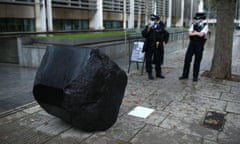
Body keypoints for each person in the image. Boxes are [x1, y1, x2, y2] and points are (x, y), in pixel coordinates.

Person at [179, 12, 208, 82]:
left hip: (200, 45)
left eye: (197, 18)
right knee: (187, 59)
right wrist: (197, 33)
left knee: (197, 61)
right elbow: (189, 33)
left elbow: (202, 35)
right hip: (192, 44)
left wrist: (195, 33)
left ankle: (195, 76)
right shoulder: (193, 25)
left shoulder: (205, 26)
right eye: (196, 18)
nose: (196, 20)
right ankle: (185, 75)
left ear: (201, 19)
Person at [142, 14, 169, 80]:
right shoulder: (148, 26)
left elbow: (166, 34)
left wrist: (164, 41)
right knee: (148, 60)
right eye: (151, 20)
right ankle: (149, 73)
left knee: (158, 59)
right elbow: (144, 34)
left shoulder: (161, 26)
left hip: (158, 45)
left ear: (157, 20)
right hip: (149, 45)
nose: (152, 21)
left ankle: (158, 73)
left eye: (153, 20)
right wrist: (148, 28)